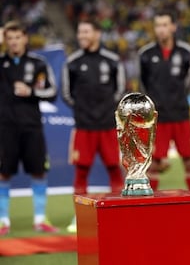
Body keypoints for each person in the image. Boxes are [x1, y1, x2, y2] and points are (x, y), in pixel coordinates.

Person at [62, 19, 126, 232]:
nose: (81, 36)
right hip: (84, 127)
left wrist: (106, 110)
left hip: (107, 126)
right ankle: (78, 217)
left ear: (97, 34)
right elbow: (67, 94)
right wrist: (84, 111)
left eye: (86, 31)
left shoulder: (113, 60)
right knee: (81, 172)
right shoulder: (72, 62)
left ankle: (118, 214)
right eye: (80, 32)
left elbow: (120, 91)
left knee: (114, 169)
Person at [0, 21, 59, 235]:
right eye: (10, 38)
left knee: (38, 172)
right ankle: (2, 221)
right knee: (3, 174)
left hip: (32, 127)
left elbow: (52, 91)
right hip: (5, 128)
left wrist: (31, 92)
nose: (14, 42)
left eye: (17, 37)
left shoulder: (38, 63)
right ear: (5, 41)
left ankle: (40, 219)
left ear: (25, 38)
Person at [137, 10, 190, 192]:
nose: (161, 29)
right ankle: (150, 208)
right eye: (158, 26)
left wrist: (176, 99)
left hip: (180, 114)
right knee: (154, 163)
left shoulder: (186, 52)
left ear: (173, 27)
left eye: (165, 25)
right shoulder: (146, 54)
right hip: (157, 118)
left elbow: (187, 83)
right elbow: (143, 86)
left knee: (188, 161)